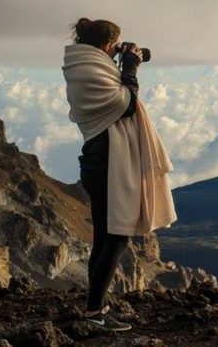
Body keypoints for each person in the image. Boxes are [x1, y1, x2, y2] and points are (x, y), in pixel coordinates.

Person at [62, 17, 176, 332]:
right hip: (109, 166)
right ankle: (95, 313)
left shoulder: (85, 68)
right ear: (106, 45)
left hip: (100, 163)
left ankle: (95, 309)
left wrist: (123, 64)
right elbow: (125, 104)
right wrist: (131, 68)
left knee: (103, 238)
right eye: (114, 46)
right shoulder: (89, 72)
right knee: (115, 240)